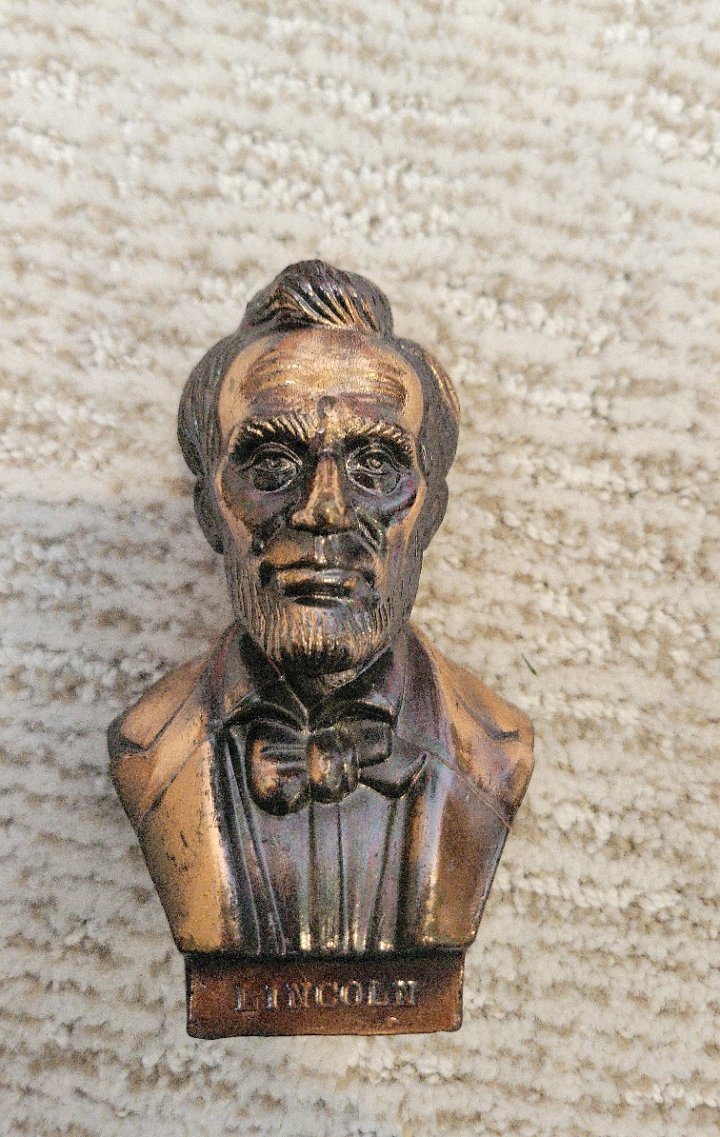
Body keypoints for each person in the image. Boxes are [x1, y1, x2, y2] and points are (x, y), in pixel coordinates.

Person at [108, 260, 533, 963]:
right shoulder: (147, 747)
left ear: (430, 512)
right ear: (209, 508)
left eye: (377, 467)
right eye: (272, 464)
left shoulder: (497, 748)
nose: (324, 509)